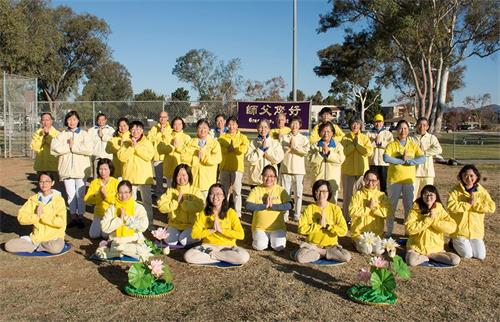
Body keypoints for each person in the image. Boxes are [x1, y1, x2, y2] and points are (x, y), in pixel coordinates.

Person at [185, 183, 250, 265]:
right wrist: (211, 230)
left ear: (223, 197)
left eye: (219, 194)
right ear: (209, 196)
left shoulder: (231, 213)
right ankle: (224, 258)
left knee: (244, 257)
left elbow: (241, 235)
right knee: (188, 256)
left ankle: (214, 256)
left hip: (228, 247)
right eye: (212, 194)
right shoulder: (203, 213)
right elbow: (194, 234)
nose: (215, 197)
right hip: (208, 247)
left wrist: (221, 230)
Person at [5, 172, 66, 254]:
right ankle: (38, 246)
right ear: (38, 183)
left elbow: (61, 222)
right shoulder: (33, 199)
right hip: (36, 237)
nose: (44, 184)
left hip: (54, 237)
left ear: (53, 183)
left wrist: (42, 216)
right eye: (41, 181)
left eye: (47, 181)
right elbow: (21, 218)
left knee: (55, 248)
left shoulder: (59, 200)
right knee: (9, 246)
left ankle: (37, 246)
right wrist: (36, 216)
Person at [50, 110, 93, 229]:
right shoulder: (61, 135)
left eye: (74, 119)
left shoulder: (84, 134)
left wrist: (73, 146)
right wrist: (68, 146)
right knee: (70, 195)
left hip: (80, 170)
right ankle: (73, 216)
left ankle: (81, 216)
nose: (72, 122)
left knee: (80, 195)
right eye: (69, 119)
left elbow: (89, 149)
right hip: (66, 170)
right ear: (66, 121)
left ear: (78, 120)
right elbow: (54, 149)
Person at [383, 120, 425, 236]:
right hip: (394, 180)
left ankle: (408, 232)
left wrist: (411, 162)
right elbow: (386, 158)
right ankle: (389, 232)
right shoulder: (392, 144)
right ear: (397, 130)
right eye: (401, 128)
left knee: (409, 207)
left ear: (408, 130)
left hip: (408, 181)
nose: (403, 131)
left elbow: (422, 158)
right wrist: (401, 161)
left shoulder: (412, 144)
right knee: (391, 206)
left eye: (405, 128)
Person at [295, 180, 351, 263]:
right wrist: (318, 225)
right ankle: (326, 254)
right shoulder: (309, 209)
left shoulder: (335, 209)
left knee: (346, 257)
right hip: (313, 244)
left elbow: (343, 230)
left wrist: (328, 226)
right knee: (300, 257)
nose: (321, 194)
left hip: (331, 246)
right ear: (315, 193)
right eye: (318, 191)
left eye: (324, 191)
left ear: (329, 193)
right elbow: (301, 228)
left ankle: (319, 252)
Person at [447, 165, 496, 260]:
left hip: (476, 231)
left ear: (476, 177)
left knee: (480, 256)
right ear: (461, 176)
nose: (469, 178)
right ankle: (453, 241)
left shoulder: (482, 191)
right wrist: (467, 204)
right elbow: (451, 207)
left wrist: (475, 204)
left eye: (471, 175)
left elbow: (491, 207)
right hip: (460, 231)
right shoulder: (455, 191)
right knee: (467, 255)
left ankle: (466, 243)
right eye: (465, 175)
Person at [405, 185, 460, 267]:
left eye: (431, 195)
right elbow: (409, 229)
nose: (428, 197)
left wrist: (434, 221)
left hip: (436, 249)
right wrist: (428, 220)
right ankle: (424, 257)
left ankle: (430, 256)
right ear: (422, 195)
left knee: (455, 260)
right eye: (425, 194)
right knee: (411, 261)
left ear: (436, 196)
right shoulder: (415, 210)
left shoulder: (439, 209)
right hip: (417, 248)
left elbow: (452, 227)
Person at [95, 180, 149, 260]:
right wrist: (119, 220)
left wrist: (127, 219)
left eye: (126, 192)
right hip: (117, 240)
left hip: (133, 240)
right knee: (100, 253)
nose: (123, 196)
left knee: (142, 255)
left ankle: (117, 251)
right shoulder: (112, 208)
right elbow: (104, 227)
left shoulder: (138, 207)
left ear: (131, 193)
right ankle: (118, 250)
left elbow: (144, 226)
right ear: (117, 193)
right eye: (120, 192)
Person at [117, 120, 155, 229]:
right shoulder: (125, 142)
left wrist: (137, 147)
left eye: (138, 129)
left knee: (146, 202)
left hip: (144, 178)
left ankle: (149, 223)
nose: (135, 131)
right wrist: (131, 147)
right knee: (130, 202)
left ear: (142, 130)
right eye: (133, 129)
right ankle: (131, 223)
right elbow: (121, 157)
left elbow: (148, 156)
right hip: (129, 177)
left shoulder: (147, 142)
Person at [246, 165, 292, 251]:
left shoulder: (280, 190)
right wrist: (264, 206)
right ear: (262, 176)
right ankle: (262, 239)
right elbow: (248, 205)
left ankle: (271, 240)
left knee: (279, 247)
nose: (268, 178)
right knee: (260, 246)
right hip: (260, 228)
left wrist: (273, 206)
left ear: (275, 178)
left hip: (278, 228)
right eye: (266, 176)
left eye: (271, 176)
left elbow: (289, 205)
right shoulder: (256, 190)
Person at [157, 164, 205, 246]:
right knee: (170, 242)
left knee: (183, 241)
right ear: (175, 177)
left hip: (191, 225)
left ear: (189, 176)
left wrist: (183, 203)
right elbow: (161, 206)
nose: (181, 178)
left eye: (184, 175)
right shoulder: (170, 191)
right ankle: (181, 236)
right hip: (174, 224)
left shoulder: (195, 190)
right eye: (178, 175)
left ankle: (197, 236)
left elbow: (200, 206)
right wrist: (176, 202)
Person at [349, 170, 392, 255]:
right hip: (360, 233)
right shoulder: (357, 195)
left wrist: (375, 209)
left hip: (376, 233)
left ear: (378, 181)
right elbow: (352, 211)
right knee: (366, 250)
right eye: (368, 180)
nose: (370, 183)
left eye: (373, 181)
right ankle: (355, 241)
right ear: (364, 180)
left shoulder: (381, 196)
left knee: (379, 251)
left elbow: (387, 212)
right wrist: (368, 208)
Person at [179, 119, 222, 197]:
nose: (202, 130)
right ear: (197, 129)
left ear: (209, 129)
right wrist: (196, 158)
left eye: (205, 128)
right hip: (193, 181)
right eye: (200, 128)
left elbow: (217, 159)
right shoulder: (190, 142)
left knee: (206, 206)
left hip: (208, 182)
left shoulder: (214, 144)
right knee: (193, 205)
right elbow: (183, 157)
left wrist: (204, 157)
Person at [341, 119, 373, 220]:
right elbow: (343, 152)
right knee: (347, 196)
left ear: (360, 126)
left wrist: (357, 145)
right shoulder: (345, 138)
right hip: (348, 170)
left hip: (361, 171)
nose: (355, 126)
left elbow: (368, 152)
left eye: (357, 124)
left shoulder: (364, 138)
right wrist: (352, 145)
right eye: (353, 124)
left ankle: (360, 217)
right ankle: (346, 217)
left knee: (362, 195)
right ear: (350, 125)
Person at [279, 116, 310, 221]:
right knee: (285, 194)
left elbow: (305, 152)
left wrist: (295, 147)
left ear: (300, 125)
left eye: (297, 123)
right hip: (285, 169)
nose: (294, 126)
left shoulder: (304, 138)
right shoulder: (284, 137)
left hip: (299, 170)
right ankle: (285, 214)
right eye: (292, 123)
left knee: (298, 194)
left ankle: (297, 214)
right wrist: (288, 146)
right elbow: (281, 150)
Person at [218, 116, 249, 217]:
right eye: (230, 124)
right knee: (224, 191)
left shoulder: (242, 137)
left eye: (234, 124)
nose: (231, 126)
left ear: (237, 125)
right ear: (227, 125)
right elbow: (219, 149)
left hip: (237, 169)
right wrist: (228, 149)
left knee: (237, 191)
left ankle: (237, 212)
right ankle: (224, 210)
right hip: (224, 168)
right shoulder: (222, 137)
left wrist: (234, 148)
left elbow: (244, 149)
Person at [308, 122, 345, 203]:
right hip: (318, 178)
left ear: (332, 133)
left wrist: (329, 153)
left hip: (332, 180)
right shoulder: (314, 146)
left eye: (328, 131)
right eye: (323, 131)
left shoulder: (338, 146)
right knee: (318, 204)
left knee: (332, 205)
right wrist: (320, 153)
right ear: (320, 133)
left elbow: (341, 160)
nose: (326, 134)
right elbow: (310, 160)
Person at [83, 158, 119, 239]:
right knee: (93, 235)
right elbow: (87, 199)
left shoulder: (116, 182)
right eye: (100, 169)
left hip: (111, 214)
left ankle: (112, 225)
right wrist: (100, 197)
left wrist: (106, 196)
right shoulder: (95, 182)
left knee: (105, 236)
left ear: (110, 170)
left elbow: (117, 200)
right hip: (98, 214)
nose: (103, 172)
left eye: (105, 169)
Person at [245, 119, 284, 186]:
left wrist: (266, 150)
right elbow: (249, 159)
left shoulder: (275, 143)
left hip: (270, 181)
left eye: (266, 127)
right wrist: (260, 149)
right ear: (257, 129)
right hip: (256, 181)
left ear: (269, 129)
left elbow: (278, 159)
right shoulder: (252, 143)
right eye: (261, 127)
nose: (263, 129)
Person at [411, 117, 442, 198]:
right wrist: (416, 153)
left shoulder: (432, 138)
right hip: (414, 172)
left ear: (427, 127)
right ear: (416, 126)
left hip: (428, 173)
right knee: (411, 197)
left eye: (424, 125)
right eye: (420, 125)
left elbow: (438, 149)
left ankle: (427, 211)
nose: (422, 127)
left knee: (428, 196)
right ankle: (411, 211)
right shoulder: (411, 138)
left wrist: (424, 153)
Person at [158, 116, 191, 188]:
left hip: (180, 166)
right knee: (170, 187)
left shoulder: (187, 137)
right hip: (169, 165)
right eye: (175, 124)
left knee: (181, 187)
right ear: (172, 125)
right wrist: (172, 147)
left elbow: (187, 152)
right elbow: (160, 149)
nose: (177, 126)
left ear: (183, 125)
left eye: (179, 124)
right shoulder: (167, 136)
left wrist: (178, 148)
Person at [147, 111, 172, 196]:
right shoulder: (154, 128)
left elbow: (169, 140)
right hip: (157, 156)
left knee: (169, 177)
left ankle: (169, 194)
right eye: (161, 117)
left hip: (168, 156)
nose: (162, 119)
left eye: (164, 117)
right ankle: (159, 194)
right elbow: (149, 138)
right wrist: (160, 133)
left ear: (167, 118)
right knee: (158, 178)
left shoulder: (171, 128)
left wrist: (163, 134)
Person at [366, 114, 393, 193]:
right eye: (376, 122)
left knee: (384, 185)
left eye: (380, 122)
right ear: (374, 123)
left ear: (383, 122)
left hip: (384, 163)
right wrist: (375, 142)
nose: (378, 124)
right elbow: (366, 146)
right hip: (372, 163)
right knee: (372, 184)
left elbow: (391, 146)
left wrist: (381, 143)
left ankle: (384, 202)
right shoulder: (369, 133)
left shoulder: (388, 134)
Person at [31, 112, 60, 177]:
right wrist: (42, 136)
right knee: (42, 186)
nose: (45, 122)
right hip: (41, 166)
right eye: (43, 120)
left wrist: (47, 136)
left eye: (47, 120)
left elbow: (55, 147)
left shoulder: (57, 133)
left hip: (53, 166)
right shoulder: (37, 133)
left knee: (54, 186)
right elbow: (35, 147)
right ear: (41, 121)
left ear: (51, 121)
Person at [87, 113, 114, 178]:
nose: (101, 121)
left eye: (103, 119)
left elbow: (112, 140)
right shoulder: (91, 130)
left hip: (108, 158)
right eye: (99, 119)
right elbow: (89, 142)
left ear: (106, 120)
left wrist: (102, 136)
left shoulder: (111, 130)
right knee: (96, 178)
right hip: (97, 157)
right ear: (97, 120)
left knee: (108, 178)